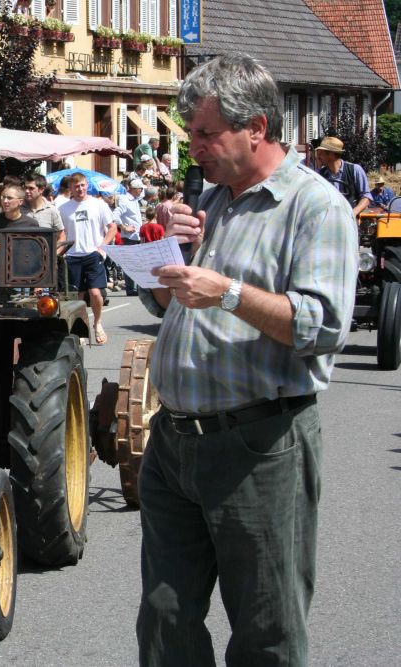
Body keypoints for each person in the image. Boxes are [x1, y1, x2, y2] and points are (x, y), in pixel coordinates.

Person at [137, 53, 357, 666]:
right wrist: (167, 252)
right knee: (164, 618)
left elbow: (324, 325)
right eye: (191, 134)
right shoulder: (214, 200)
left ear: (255, 127)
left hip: (260, 443)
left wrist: (228, 292)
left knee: (267, 627)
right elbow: (167, 300)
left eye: (207, 134)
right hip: (176, 442)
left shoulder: (315, 207)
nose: (194, 147)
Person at [58, 173, 116, 344]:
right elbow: (61, 235)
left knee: (96, 293)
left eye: (82, 185)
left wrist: (101, 248)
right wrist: (59, 254)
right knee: (77, 297)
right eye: (76, 186)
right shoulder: (64, 208)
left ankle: (98, 324)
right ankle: (80, 329)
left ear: (87, 185)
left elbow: (112, 228)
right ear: (70, 188)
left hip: (93, 254)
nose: (80, 189)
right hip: (72, 255)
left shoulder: (98, 204)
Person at [0, 184, 38, 304]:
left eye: (9, 198)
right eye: (3, 197)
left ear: (20, 201)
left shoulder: (31, 224)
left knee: (20, 314)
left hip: (22, 279)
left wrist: (37, 283)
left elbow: (36, 255)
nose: (5, 201)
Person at [314, 135, 371, 216]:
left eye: (321, 153)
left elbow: (366, 197)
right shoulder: (321, 174)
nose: (318, 157)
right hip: (329, 220)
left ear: (331, 154)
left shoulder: (355, 170)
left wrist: (353, 213)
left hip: (351, 222)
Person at [117, 178, 144, 296]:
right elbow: (115, 215)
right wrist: (123, 227)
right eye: (140, 189)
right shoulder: (125, 199)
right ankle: (131, 288)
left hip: (136, 235)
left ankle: (135, 287)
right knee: (131, 262)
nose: (141, 191)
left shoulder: (134, 199)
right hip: (130, 236)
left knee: (137, 262)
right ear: (134, 189)